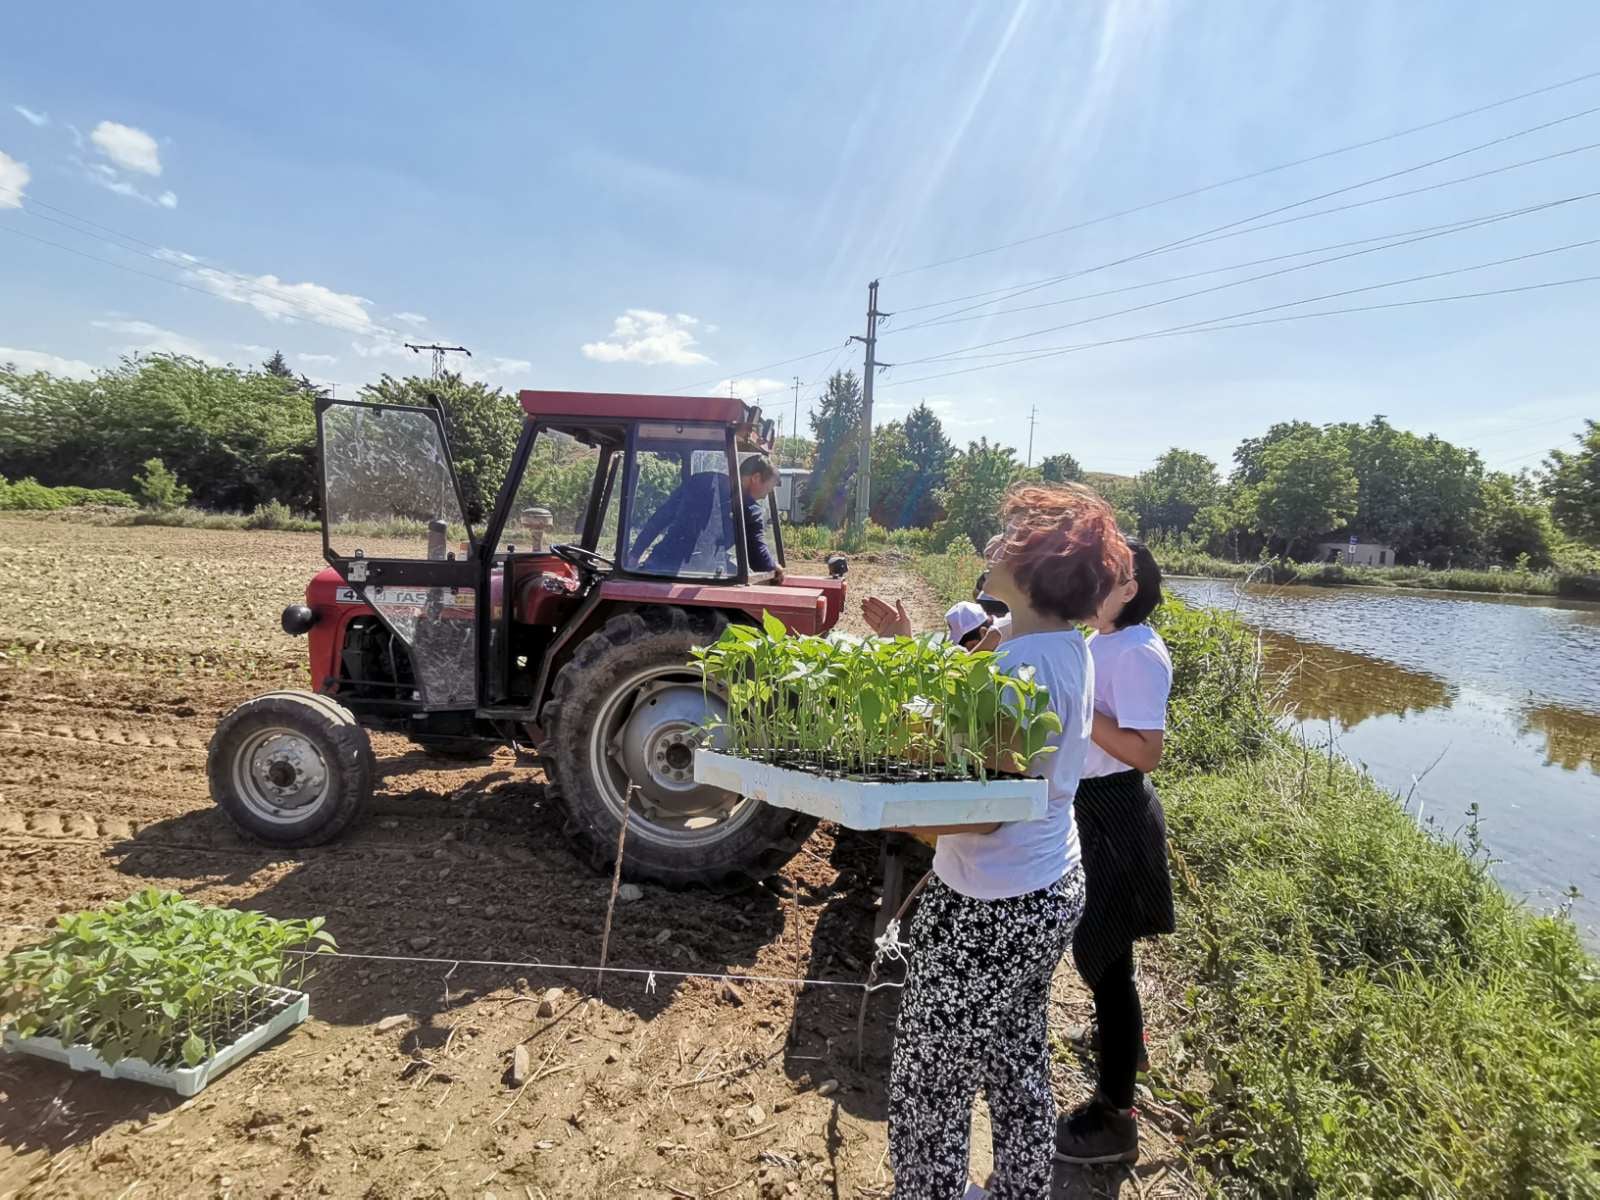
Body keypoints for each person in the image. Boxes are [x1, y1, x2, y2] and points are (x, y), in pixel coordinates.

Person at [887, 483, 1132, 1199]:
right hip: (1047, 885)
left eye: (1008, 543)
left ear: (1029, 573)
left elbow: (988, 810)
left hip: (990, 907)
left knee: (930, 1083)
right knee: (1014, 1054)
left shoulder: (1020, 667)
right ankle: (1019, 1189)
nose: (993, 550)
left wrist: (882, 811)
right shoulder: (1064, 646)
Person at [1054, 539, 1174, 1167]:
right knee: (1099, 950)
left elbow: (1146, 750)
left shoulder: (1138, 653)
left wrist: (1077, 710)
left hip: (1116, 812)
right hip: (1093, 806)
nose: (1089, 582)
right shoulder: (1103, 642)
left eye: (1103, 575)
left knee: (1105, 959)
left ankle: (1114, 1118)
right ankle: (1123, 1041)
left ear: (1129, 589)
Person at [630, 454, 784, 581]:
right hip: (700, 574)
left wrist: (635, 554)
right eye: (768, 488)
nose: (765, 495)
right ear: (755, 478)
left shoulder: (699, 481)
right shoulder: (750, 509)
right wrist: (774, 567)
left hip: (660, 565)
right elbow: (757, 558)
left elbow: (660, 518)